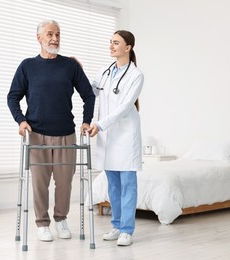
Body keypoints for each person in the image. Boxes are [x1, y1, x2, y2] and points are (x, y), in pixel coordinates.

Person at [7, 20, 95, 242]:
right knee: (40, 182)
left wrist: (86, 121)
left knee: (65, 182)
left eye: (57, 34)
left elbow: (88, 95)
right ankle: (42, 223)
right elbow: (13, 97)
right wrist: (21, 121)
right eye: (49, 34)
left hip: (66, 133)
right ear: (39, 38)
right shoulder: (27, 66)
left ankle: (61, 219)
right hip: (37, 134)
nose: (54, 38)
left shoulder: (70, 66)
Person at [89, 30, 144, 246]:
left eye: (116, 43)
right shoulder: (105, 71)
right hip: (108, 136)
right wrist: (77, 70)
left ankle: (127, 231)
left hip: (125, 135)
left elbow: (123, 107)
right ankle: (117, 225)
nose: (111, 46)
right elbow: (91, 90)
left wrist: (100, 124)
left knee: (127, 185)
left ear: (128, 47)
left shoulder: (136, 75)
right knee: (113, 185)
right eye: (110, 42)